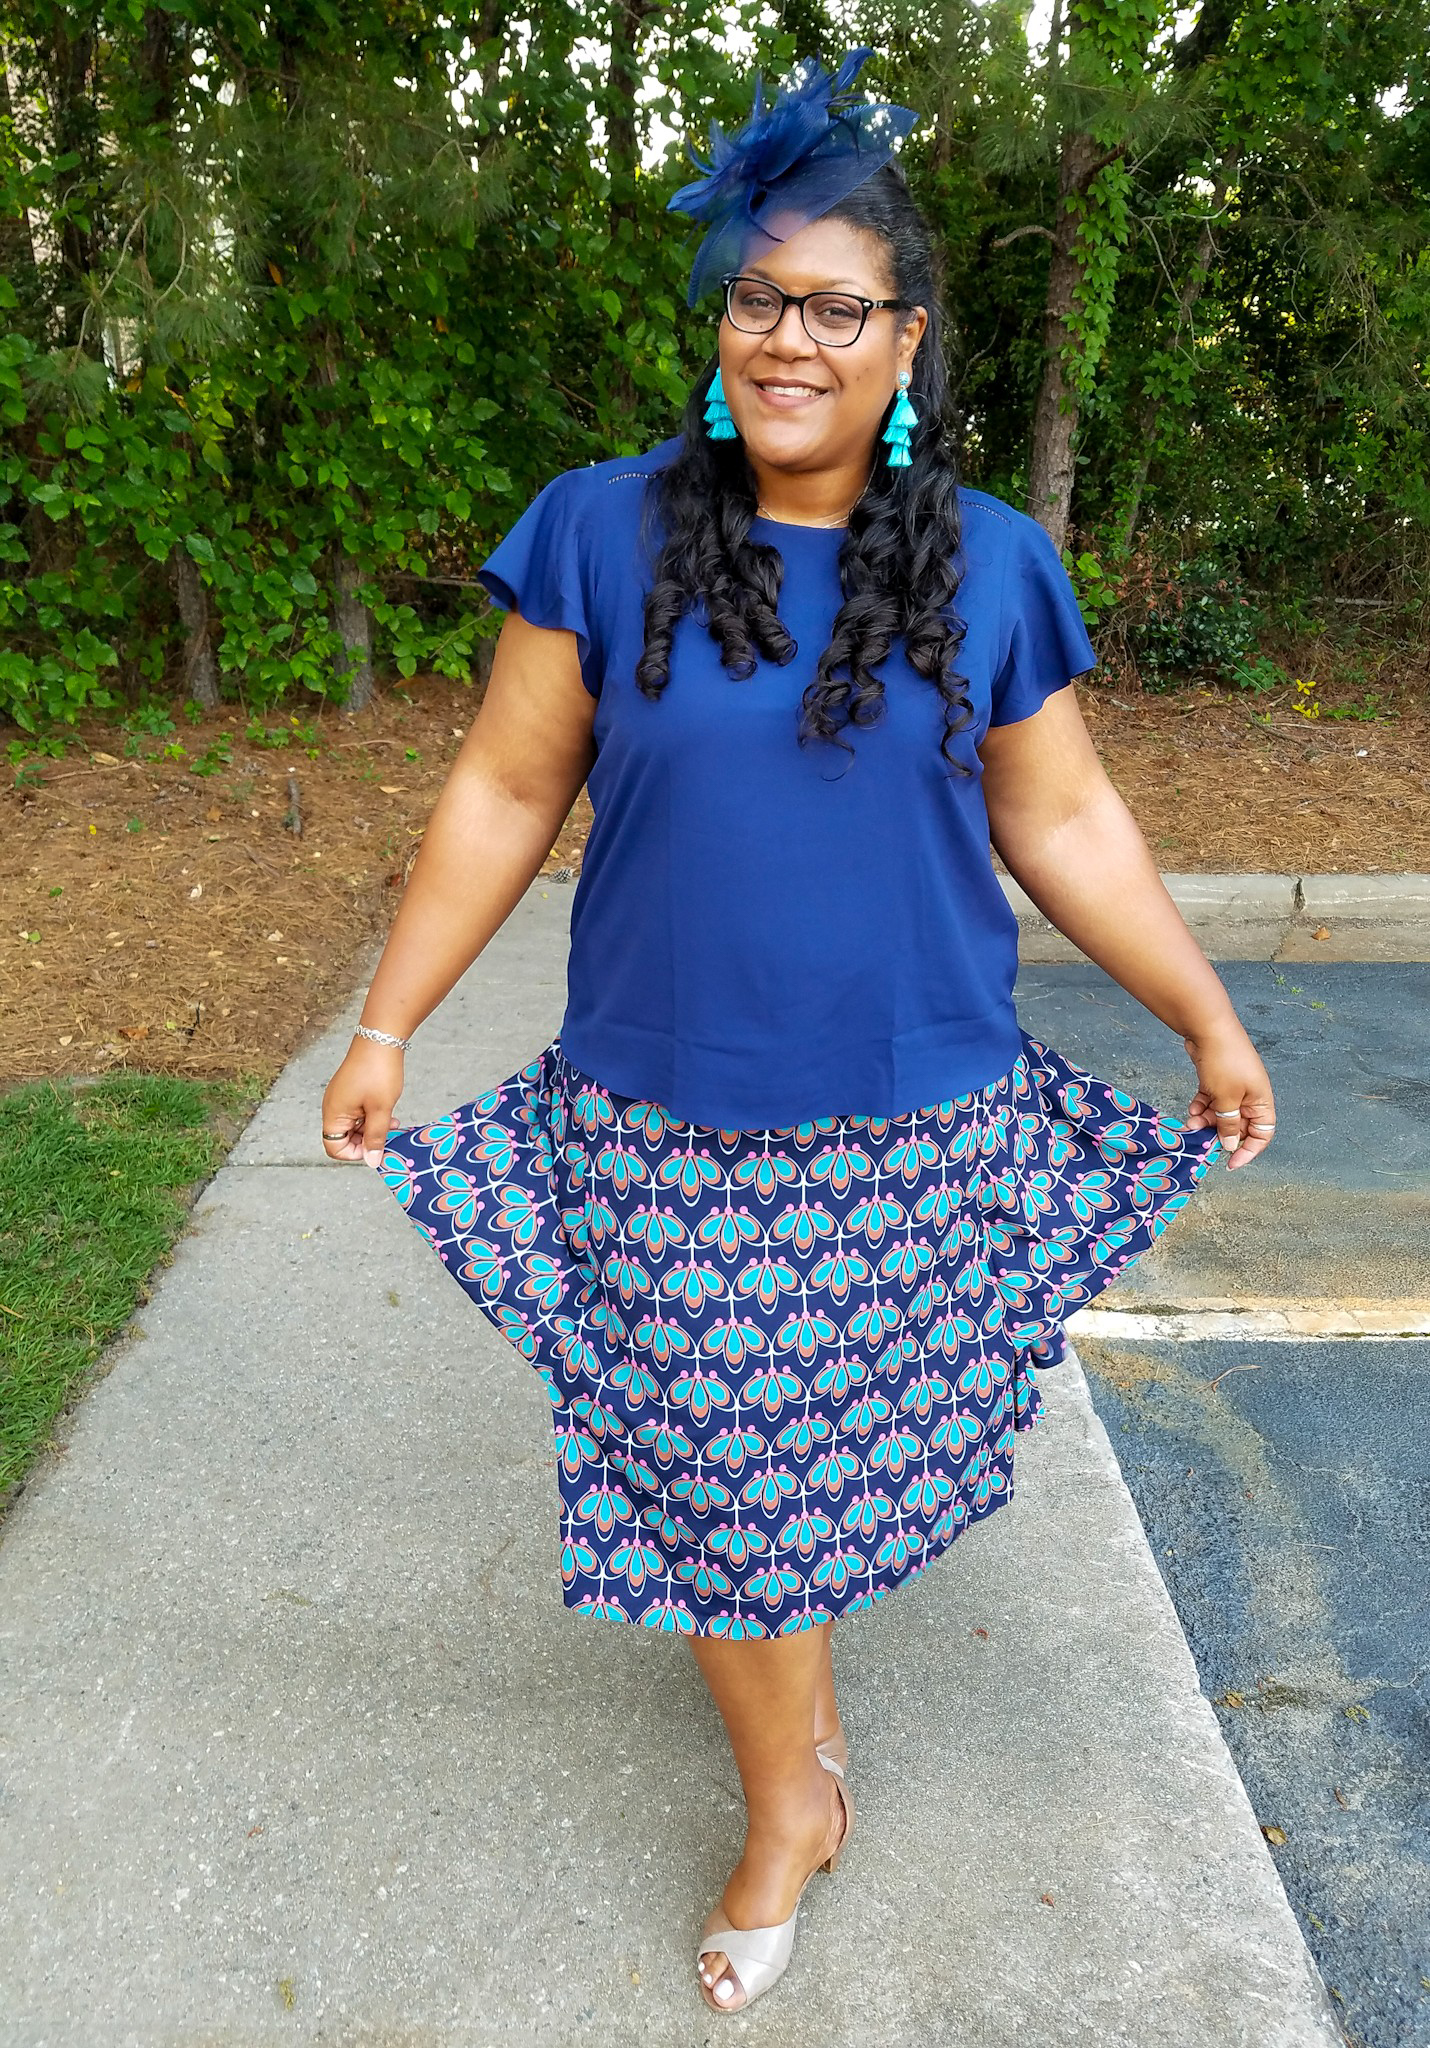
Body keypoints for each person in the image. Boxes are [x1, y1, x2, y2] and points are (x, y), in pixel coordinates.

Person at [319, 47, 1276, 2018]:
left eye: (835, 305)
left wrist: (1202, 1004)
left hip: (916, 1124)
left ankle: (803, 1732)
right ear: (721, 325)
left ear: (902, 337)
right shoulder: (599, 532)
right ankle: (787, 1807)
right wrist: (389, 1019)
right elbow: (503, 793)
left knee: (802, 1464)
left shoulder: (988, 561)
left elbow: (1064, 816)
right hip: (662, 1121)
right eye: (760, 299)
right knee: (719, 1487)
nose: (789, 338)